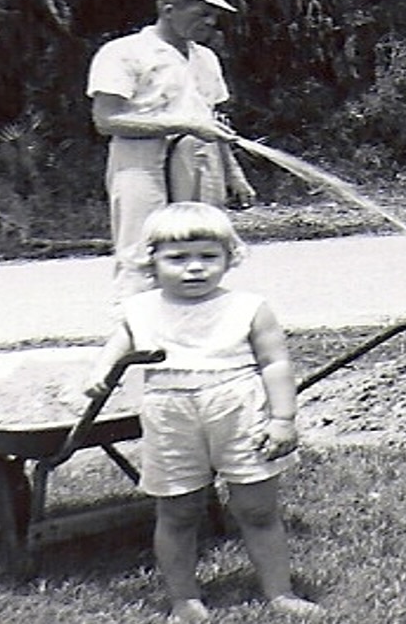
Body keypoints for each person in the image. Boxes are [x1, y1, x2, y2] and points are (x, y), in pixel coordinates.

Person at [84, 202, 322, 622]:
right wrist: (102, 372)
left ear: (230, 258)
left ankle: (280, 592)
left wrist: (283, 418)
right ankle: (184, 598)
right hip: (171, 413)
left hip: (238, 408)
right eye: (177, 258)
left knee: (258, 508)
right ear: (150, 260)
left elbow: (275, 363)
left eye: (208, 257)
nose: (194, 268)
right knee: (177, 510)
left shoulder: (248, 307)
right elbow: (117, 346)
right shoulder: (140, 309)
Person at [87, 0, 255, 299]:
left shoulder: (205, 58)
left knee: (202, 242)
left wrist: (235, 174)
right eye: (201, 13)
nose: (210, 21)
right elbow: (106, 120)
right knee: (142, 248)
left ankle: (196, 326)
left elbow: (212, 119)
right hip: (140, 161)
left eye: (214, 15)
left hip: (199, 156)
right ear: (168, 8)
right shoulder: (124, 52)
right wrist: (182, 125)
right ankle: (138, 337)